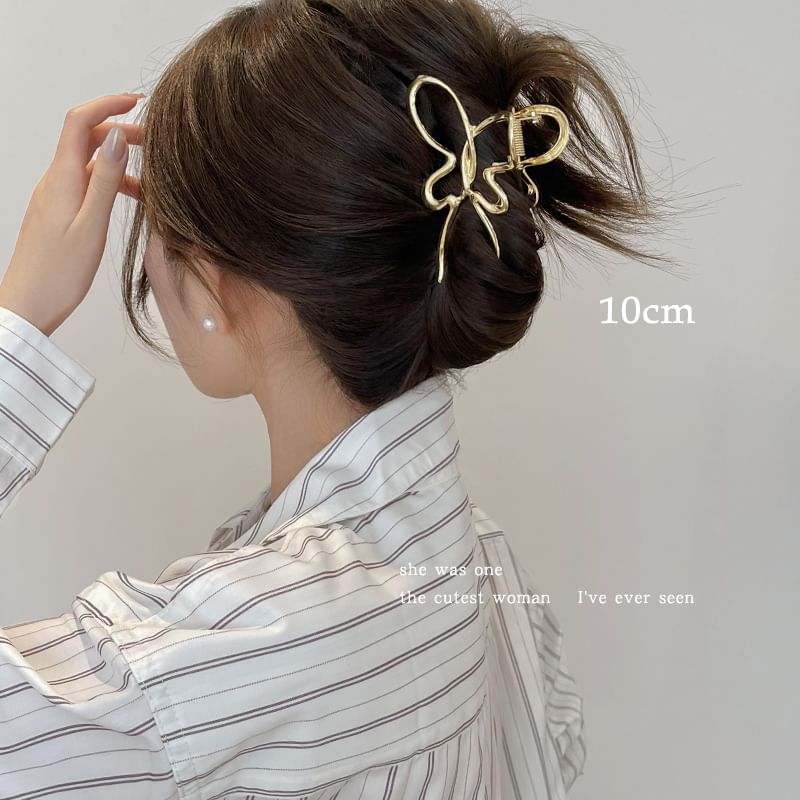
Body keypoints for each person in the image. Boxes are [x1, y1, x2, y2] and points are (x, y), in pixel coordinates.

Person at [0, 1, 669, 796]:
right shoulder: (479, 559)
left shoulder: (218, 660)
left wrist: (20, 318)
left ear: (211, 290)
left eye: (155, 231)